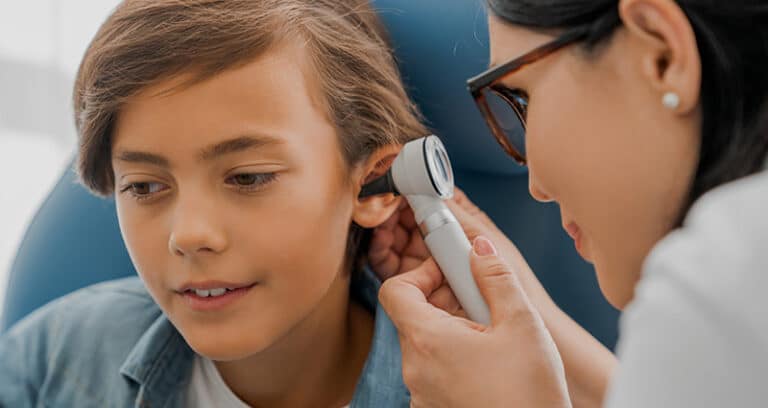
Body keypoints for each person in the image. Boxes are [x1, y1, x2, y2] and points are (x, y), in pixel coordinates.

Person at [0, 0, 428, 407]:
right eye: (144, 187)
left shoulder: (455, 388)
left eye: (248, 178)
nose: (188, 235)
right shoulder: (52, 357)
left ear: (375, 186)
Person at [370, 0, 768, 407]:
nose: (537, 187)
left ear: (661, 56)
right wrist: (537, 326)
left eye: (522, 99)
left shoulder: (717, 288)